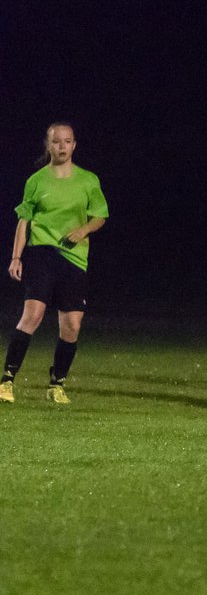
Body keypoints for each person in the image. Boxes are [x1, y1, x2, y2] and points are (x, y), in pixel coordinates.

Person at [2, 123, 108, 405]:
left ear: (74, 145)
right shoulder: (36, 180)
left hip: (74, 257)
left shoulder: (88, 180)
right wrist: (16, 257)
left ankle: (56, 383)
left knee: (72, 325)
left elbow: (100, 216)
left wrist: (83, 230)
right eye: (56, 141)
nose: (62, 146)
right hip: (42, 253)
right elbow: (24, 220)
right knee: (33, 314)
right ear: (48, 145)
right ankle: (7, 381)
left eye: (67, 141)